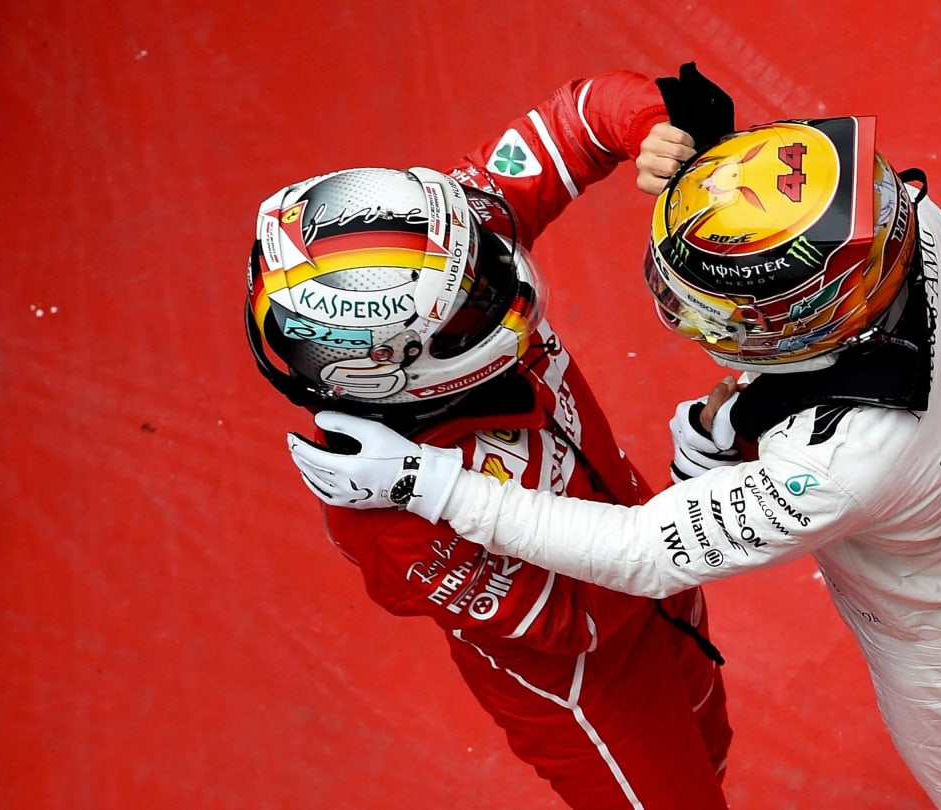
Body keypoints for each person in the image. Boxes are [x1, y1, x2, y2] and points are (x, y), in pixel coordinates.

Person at [286, 115, 941, 808]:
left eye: (735, 311)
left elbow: (645, 553)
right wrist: (750, 409)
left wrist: (426, 483)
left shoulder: (839, 468)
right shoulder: (909, 222)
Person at [246, 69, 737, 809]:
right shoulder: (383, 513)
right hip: (592, 691)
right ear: (389, 366)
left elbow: (575, 119)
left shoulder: (442, 243)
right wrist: (695, 501)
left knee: (713, 743)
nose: (501, 272)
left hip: (656, 563)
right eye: (472, 305)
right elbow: (571, 621)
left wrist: (651, 129)